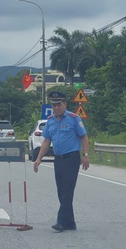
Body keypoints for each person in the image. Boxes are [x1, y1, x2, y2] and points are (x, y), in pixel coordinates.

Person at [33, 91, 90, 231]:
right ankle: (70, 223)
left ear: (64, 104)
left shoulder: (73, 118)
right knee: (61, 191)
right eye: (54, 105)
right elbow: (46, 141)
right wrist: (38, 159)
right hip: (58, 160)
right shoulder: (51, 121)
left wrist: (85, 155)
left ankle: (61, 222)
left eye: (58, 104)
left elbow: (84, 137)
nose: (56, 107)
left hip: (71, 159)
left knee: (67, 190)